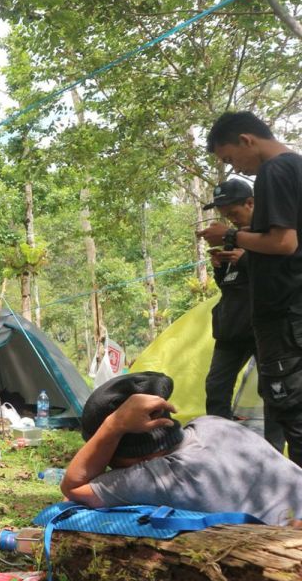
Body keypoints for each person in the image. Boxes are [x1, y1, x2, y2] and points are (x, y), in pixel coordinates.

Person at [61, 372, 302, 525]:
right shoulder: (212, 425)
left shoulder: (161, 477)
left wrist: (113, 426)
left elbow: (73, 487)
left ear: (136, 458)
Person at [198, 111, 302, 464]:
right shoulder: (296, 166)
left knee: (289, 407)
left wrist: (227, 235)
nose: (237, 167)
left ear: (246, 139)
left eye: (230, 158)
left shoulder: (275, 170)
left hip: (284, 314)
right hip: (286, 312)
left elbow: (284, 243)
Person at [202, 179, 285, 449]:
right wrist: (220, 267)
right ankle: (219, 447)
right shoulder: (232, 240)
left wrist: (246, 259)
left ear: (251, 204)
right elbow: (231, 286)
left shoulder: (271, 238)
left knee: (272, 393)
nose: (231, 221)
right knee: (216, 386)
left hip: (264, 331)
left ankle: (273, 450)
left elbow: (281, 280)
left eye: (234, 214)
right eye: (226, 216)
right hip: (230, 329)